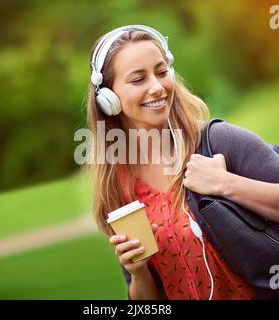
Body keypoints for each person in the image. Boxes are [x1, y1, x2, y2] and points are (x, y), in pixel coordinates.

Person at [86, 25, 279, 300]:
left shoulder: (218, 141)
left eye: (162, 72)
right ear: (108, 98)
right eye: (138, 79)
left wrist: (226, 184)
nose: (157, 87)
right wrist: (138, 273)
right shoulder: (117, 186)